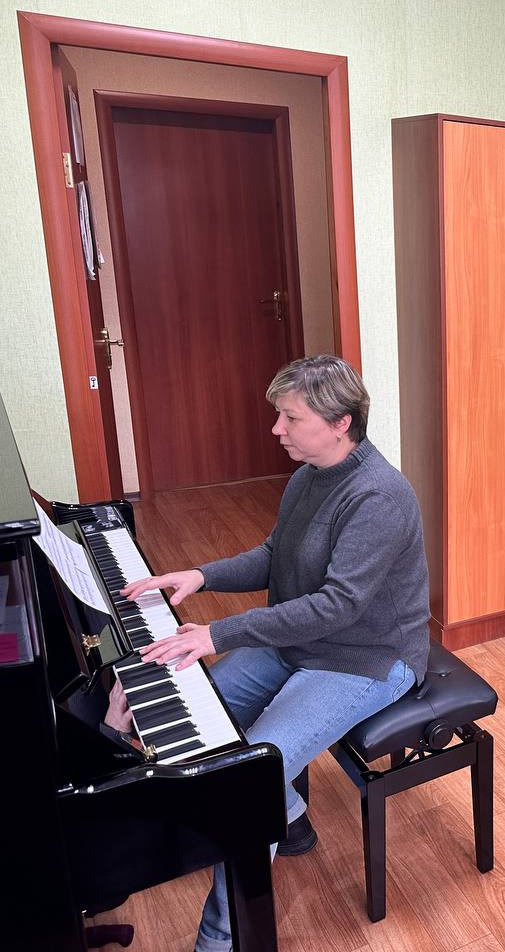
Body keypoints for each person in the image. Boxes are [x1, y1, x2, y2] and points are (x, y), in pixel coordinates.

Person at [120, 354, 430, 952]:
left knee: (248, 781)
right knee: (200, 718)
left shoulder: (379, 497)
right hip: (301, 641)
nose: (276, 429)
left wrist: (219, 634)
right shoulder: (308, 475)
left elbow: (338, 606)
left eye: (290, 417)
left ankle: (221, 941)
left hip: (366, 658)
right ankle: (286, 817)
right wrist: (200, 576)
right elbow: (274, 555)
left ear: (340, 422)